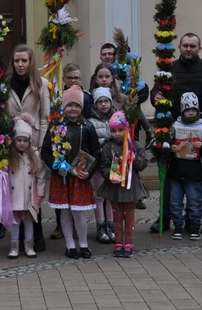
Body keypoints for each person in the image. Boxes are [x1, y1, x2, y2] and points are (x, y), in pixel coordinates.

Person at [150, 32, 202, 234]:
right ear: (179, 47)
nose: (189, 49)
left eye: (193, 46)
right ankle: (166, 216)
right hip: (173, 130)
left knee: (196, 177)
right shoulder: (169, 69)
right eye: (185, 45)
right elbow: (155, 92)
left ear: (199, 48)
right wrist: (156, 96)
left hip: (199, 132)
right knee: (170, 178)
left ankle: (192, 218)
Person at [41, 85, 100, 259]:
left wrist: (88, 171)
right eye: (69, 105)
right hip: (62, 176)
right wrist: (55, 166)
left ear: (81, 107)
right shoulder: (56, 126)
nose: (73, 109)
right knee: (65, 212)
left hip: (79, 177)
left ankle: (83, 243)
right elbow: (45, 151)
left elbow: (96, 151)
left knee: (79, 212)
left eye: (77, 105)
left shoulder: (87, 127)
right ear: (64, 107)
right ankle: (69, 245)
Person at [7, 44, 51, 250]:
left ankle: (36, 235)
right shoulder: (6, 84)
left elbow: (44, 117)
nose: (20, 64)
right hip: (13, 143)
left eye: (24, 60)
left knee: (33, 189)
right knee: (16, 189)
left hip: (33, 143)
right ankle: (16, 239)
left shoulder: (41, 84)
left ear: (31, 62)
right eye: (17, 61)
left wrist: (41, 145)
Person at [96, 111, 150, 258]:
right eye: (114, 131)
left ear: (126, 129)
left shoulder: (135, 145)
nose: (117, 133)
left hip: (130, 187)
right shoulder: (108, 147)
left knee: (130, 215)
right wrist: (109, 175)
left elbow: (143, 164)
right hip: (115, 187)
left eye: (120, 130)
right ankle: (119, 242)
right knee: (117, 216)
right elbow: (104, 167)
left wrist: (134, 158)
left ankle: (129, 242)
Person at [167, 92, 202, 240]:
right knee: (175, 201)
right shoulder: (175, 126)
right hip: (177, 169)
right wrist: (171, 148)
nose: (190, 112)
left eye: (193, 110)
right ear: (182, 111)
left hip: (194, 171)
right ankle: (178, 226)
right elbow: (166, 144)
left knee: (194, 201)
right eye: (187, 110)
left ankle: (195, 226)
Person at [7, 115, 44, 258]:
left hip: (29, 195)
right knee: (15, 223)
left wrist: (40, 193)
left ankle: (29, 246)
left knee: (29, 222)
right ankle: (14, 246)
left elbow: (40, 175)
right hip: (14, 195)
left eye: (25, 140)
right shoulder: (10, 156)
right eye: (19, 140)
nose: (22, 143)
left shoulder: (34, 155)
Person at [86, 87, 116, 244]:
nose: (103, 104)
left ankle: (111, 226)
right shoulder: (91, 122)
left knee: (110, 196)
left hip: (113, 164)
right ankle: (100, 226)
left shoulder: (116, 118)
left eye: (106, 101)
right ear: (95, 104)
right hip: (99, 165)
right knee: (99, 195)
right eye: (100, 102)